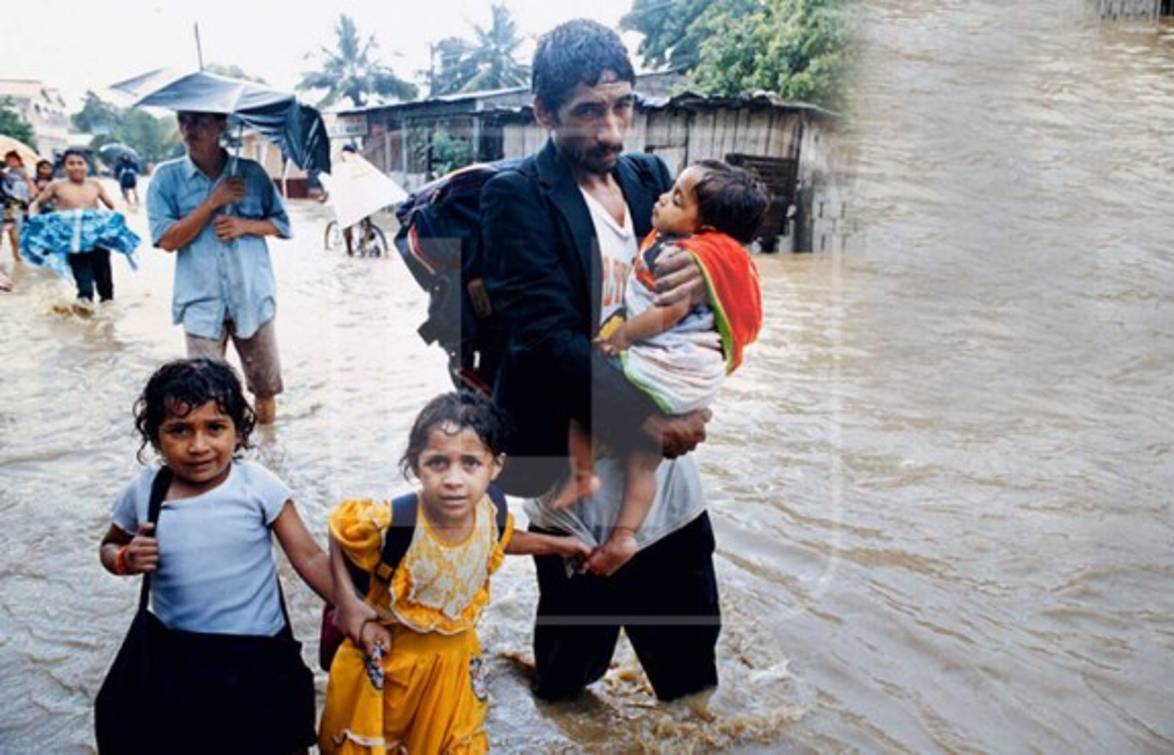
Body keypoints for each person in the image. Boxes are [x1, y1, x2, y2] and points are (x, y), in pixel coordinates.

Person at [479, 19, 722, 703]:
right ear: (543, 113)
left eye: (623, 106)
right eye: (589, 112)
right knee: (569, 675)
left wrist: (706, 281)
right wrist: (651, 421)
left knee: (692, 675)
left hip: (665, 479)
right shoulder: (517, 196)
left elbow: (715, 268)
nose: (612, 131)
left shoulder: (649, 178)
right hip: (575, 470)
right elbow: (542, 337)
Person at [318, 391, 590, 754]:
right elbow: (339, 529)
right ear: (416, 465)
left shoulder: (490, 510)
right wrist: (348, 606)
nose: (454, 480)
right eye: (437, 463)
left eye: (470, 464)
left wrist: (560, 545)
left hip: (454, 665)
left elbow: (500, 540)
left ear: (495, 466)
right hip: (390, 666)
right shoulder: (395, 521)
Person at [97, 357, 332, 752]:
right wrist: (124, 559)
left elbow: (308, 558)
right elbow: (109, 545)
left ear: (239, 432)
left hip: (259, 659)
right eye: (179, 430)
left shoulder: (257, 486)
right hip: (181, 662)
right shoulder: (146, 491)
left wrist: (354, 609)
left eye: (215, 428)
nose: (198, 445)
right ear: (155, 439)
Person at [555, 159, 768, 576]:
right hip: (689, 382)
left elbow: (668, 312)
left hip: (664, 370)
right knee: (642, 462)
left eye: (675, 199)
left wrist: (623, 336)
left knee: (583, 382)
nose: (661, 199)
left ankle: (581, 474)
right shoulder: (702, 253)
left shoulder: (678, 254)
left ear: (703, 229)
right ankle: (625, 534)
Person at [146, 111, 292, 425]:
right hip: (200, 301)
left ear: (221, 125)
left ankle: (269, 453)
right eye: (183, 120)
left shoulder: (251, 173)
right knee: (204, 394)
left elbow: (282, 225)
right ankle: (221, 462)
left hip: (252, 296)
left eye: (200, 121)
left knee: (265, 387)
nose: (189, 128)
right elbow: (167, 241)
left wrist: (245, 225)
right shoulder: (165, 178)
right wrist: (212, 202)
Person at [25, 149, 137, 314]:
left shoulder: (95, 184)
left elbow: (112, 206)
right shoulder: (57, 186)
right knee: (85, 290)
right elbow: (37, 204)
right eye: (71, 163)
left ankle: (105, 331)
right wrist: (34, 219)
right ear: (64, 167)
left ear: (86, 166)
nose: (76, 167)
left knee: (106, 290)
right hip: (74, 244)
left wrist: (117, 220)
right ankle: (85, 324)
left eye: (80, 163)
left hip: (98, 242)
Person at [2, 150, 35, 263]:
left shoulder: (22, 172)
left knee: (15, 232)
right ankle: (15, 255)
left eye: (13, 160)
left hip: (15, 203)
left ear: (19, 161)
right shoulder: (6, 172)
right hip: (8, 203)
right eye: (8, 160)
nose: (11, 162)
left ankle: (17, 255)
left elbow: (29, 185)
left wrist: (30, 196)